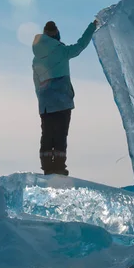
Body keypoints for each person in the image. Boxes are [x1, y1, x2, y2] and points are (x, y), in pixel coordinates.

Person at [32, 19, 98, 176]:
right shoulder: (61, 51)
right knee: (60, 133)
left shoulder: (36, 58)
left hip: (45, 103)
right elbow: (80, 46)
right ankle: (59, 167)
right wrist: (92, 26)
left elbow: (36, 83)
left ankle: (47, 167)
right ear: (56, 35)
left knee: (47, 134)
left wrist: (41, 102)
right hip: (61, 101)